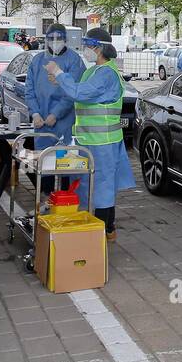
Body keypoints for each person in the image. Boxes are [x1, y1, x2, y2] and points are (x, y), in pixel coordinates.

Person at [44, 27, 135, 242]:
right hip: (89, 141)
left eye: (88, 46)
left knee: (102, 189)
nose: (85, 50)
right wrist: (61, 82)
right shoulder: (93, 70)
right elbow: (79, 90)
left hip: (103, 142)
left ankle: (103, 232)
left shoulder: (106, 73)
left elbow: (80, 92)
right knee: (91, 186)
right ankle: (101, 228)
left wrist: (59, 73)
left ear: (99, 48)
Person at [26, 23, 84, 146]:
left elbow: (72, 91)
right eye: (51, 38)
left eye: (59, 38)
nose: (55, 41)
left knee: (64, 161)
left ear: (65, 40)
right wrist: (35, 113)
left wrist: (56, 114)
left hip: (65, 122)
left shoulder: (74, 60)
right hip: (41, 122)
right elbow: (29, 90)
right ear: (46, 40)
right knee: (42, 160)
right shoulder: (37, 61)